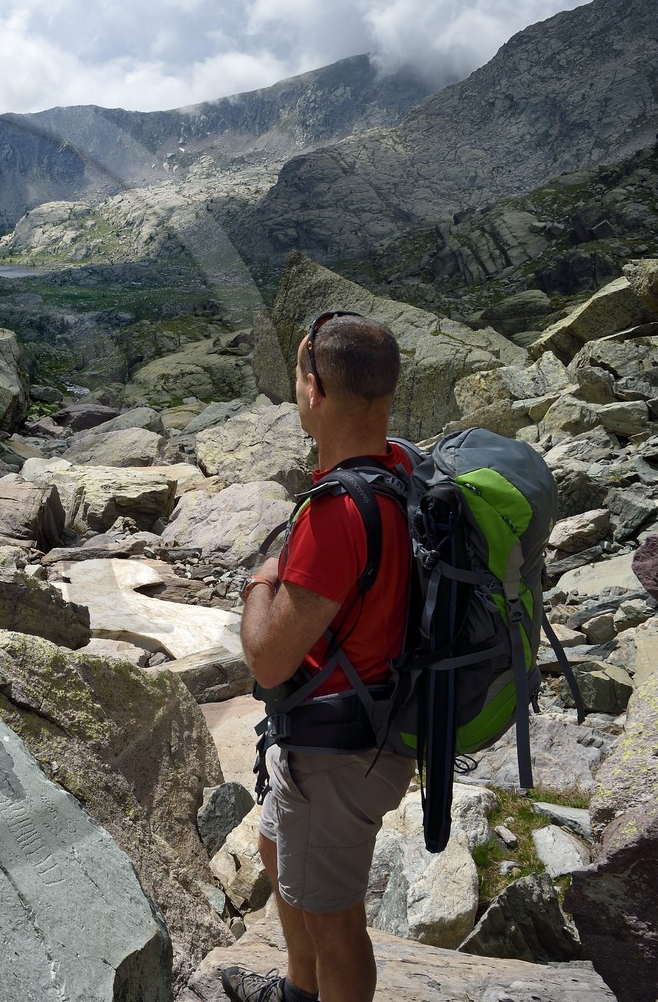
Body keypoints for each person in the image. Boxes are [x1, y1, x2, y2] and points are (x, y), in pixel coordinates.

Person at [222, 311, 417, 1002]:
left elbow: (268, 661)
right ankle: (297, 992)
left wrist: (259, 579)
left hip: (338, 750)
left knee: (335, 926)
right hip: (355, 723)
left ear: (314, 391)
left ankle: (316, 989)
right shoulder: (397, 466)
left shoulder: (338, 513)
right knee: (279, 854)